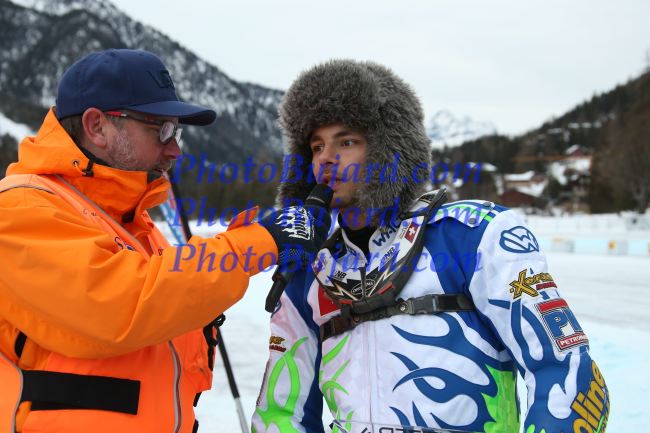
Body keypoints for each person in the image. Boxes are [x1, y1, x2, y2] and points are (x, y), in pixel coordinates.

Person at [252, 60, 610, 433]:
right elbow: (280, 413)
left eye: (347, 142)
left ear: (390, 148)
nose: (326, 157)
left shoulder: (473, 235)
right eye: (316, 146)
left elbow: (565, 372)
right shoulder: (307, 272)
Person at [0, 49, 327, 433]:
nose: (175, 149)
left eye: (176, 132)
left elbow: (168, 313)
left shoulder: (134, 227)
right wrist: (262, 240)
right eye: (161, 130)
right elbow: (122, 303)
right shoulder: (20, 207)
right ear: (97, 126)